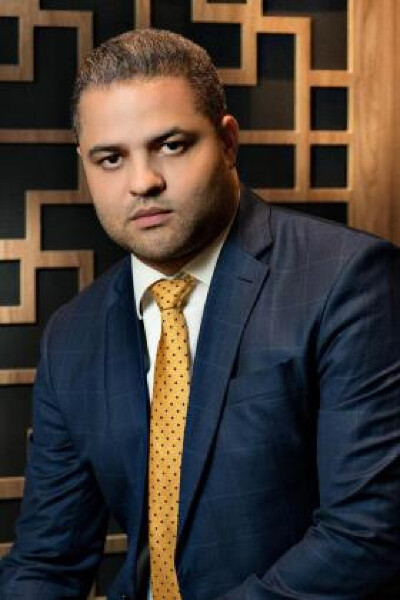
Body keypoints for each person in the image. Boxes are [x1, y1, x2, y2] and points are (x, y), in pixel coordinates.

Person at [1, 28, 399, 600]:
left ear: (228, 142)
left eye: (171, 145)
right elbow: (46, 561)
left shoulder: (347, 280)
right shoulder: (73, 334)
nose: (143, 182)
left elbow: (367, 534)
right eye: (111, 159)